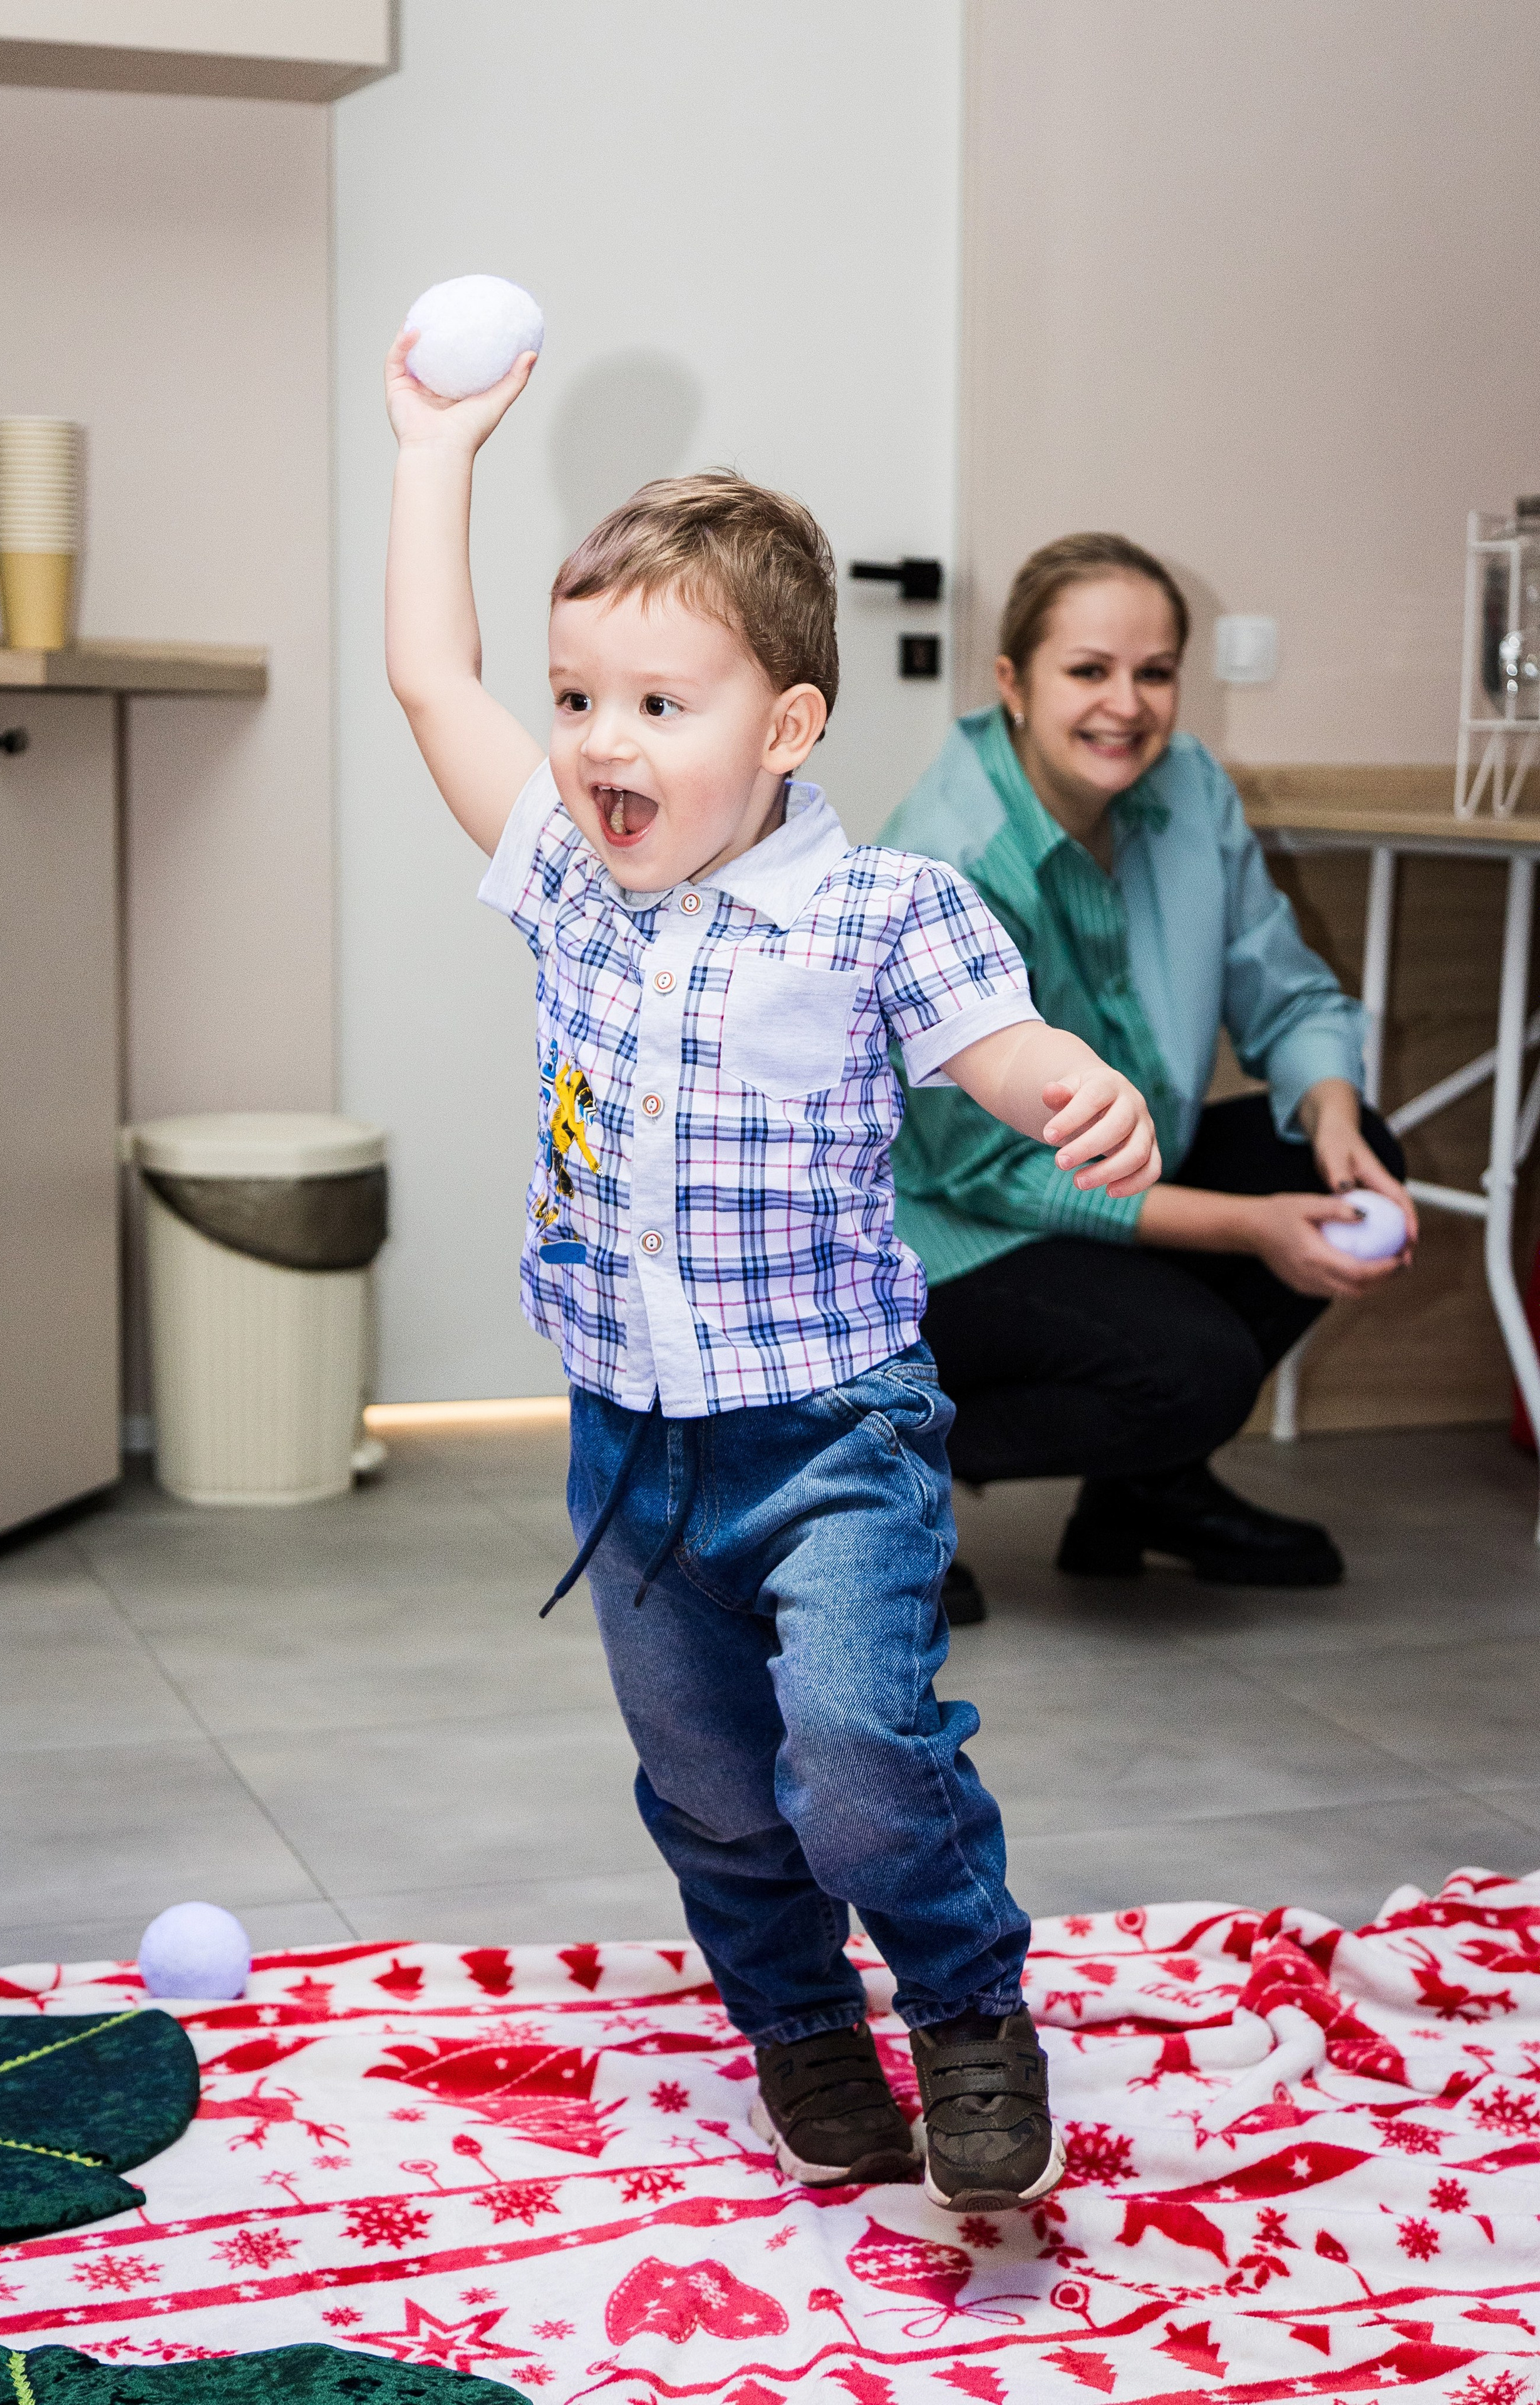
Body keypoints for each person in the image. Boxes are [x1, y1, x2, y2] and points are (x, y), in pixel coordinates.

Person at [383, 338, 1160, 2212]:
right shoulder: (573, 875)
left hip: (828, 1433)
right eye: (580, 697)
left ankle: (968, 2004)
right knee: (716, 1792)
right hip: (633, 1449)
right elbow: (430, 675)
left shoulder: (885, 911)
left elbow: (1010, 1049)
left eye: (659, 699)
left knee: (859, 1752)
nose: (599, 741)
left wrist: (1093, 1099)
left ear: (791, 726)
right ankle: (800, 2021)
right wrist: (432, 448)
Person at [882, 534, 1415, 1619]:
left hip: (1108, 1178)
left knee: (1342, 1154)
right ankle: (866, 1475)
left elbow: (1285, 988)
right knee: (1196, 1368)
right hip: (942, 1237)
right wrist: (1253, 1227)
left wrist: (1331, 1106)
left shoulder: (1189, 790)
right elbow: (994, 1177)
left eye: (1155, 672)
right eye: (1088, 671)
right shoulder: (949, 860)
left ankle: (1143, 1497)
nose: (1126, 705)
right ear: (1012, 686)